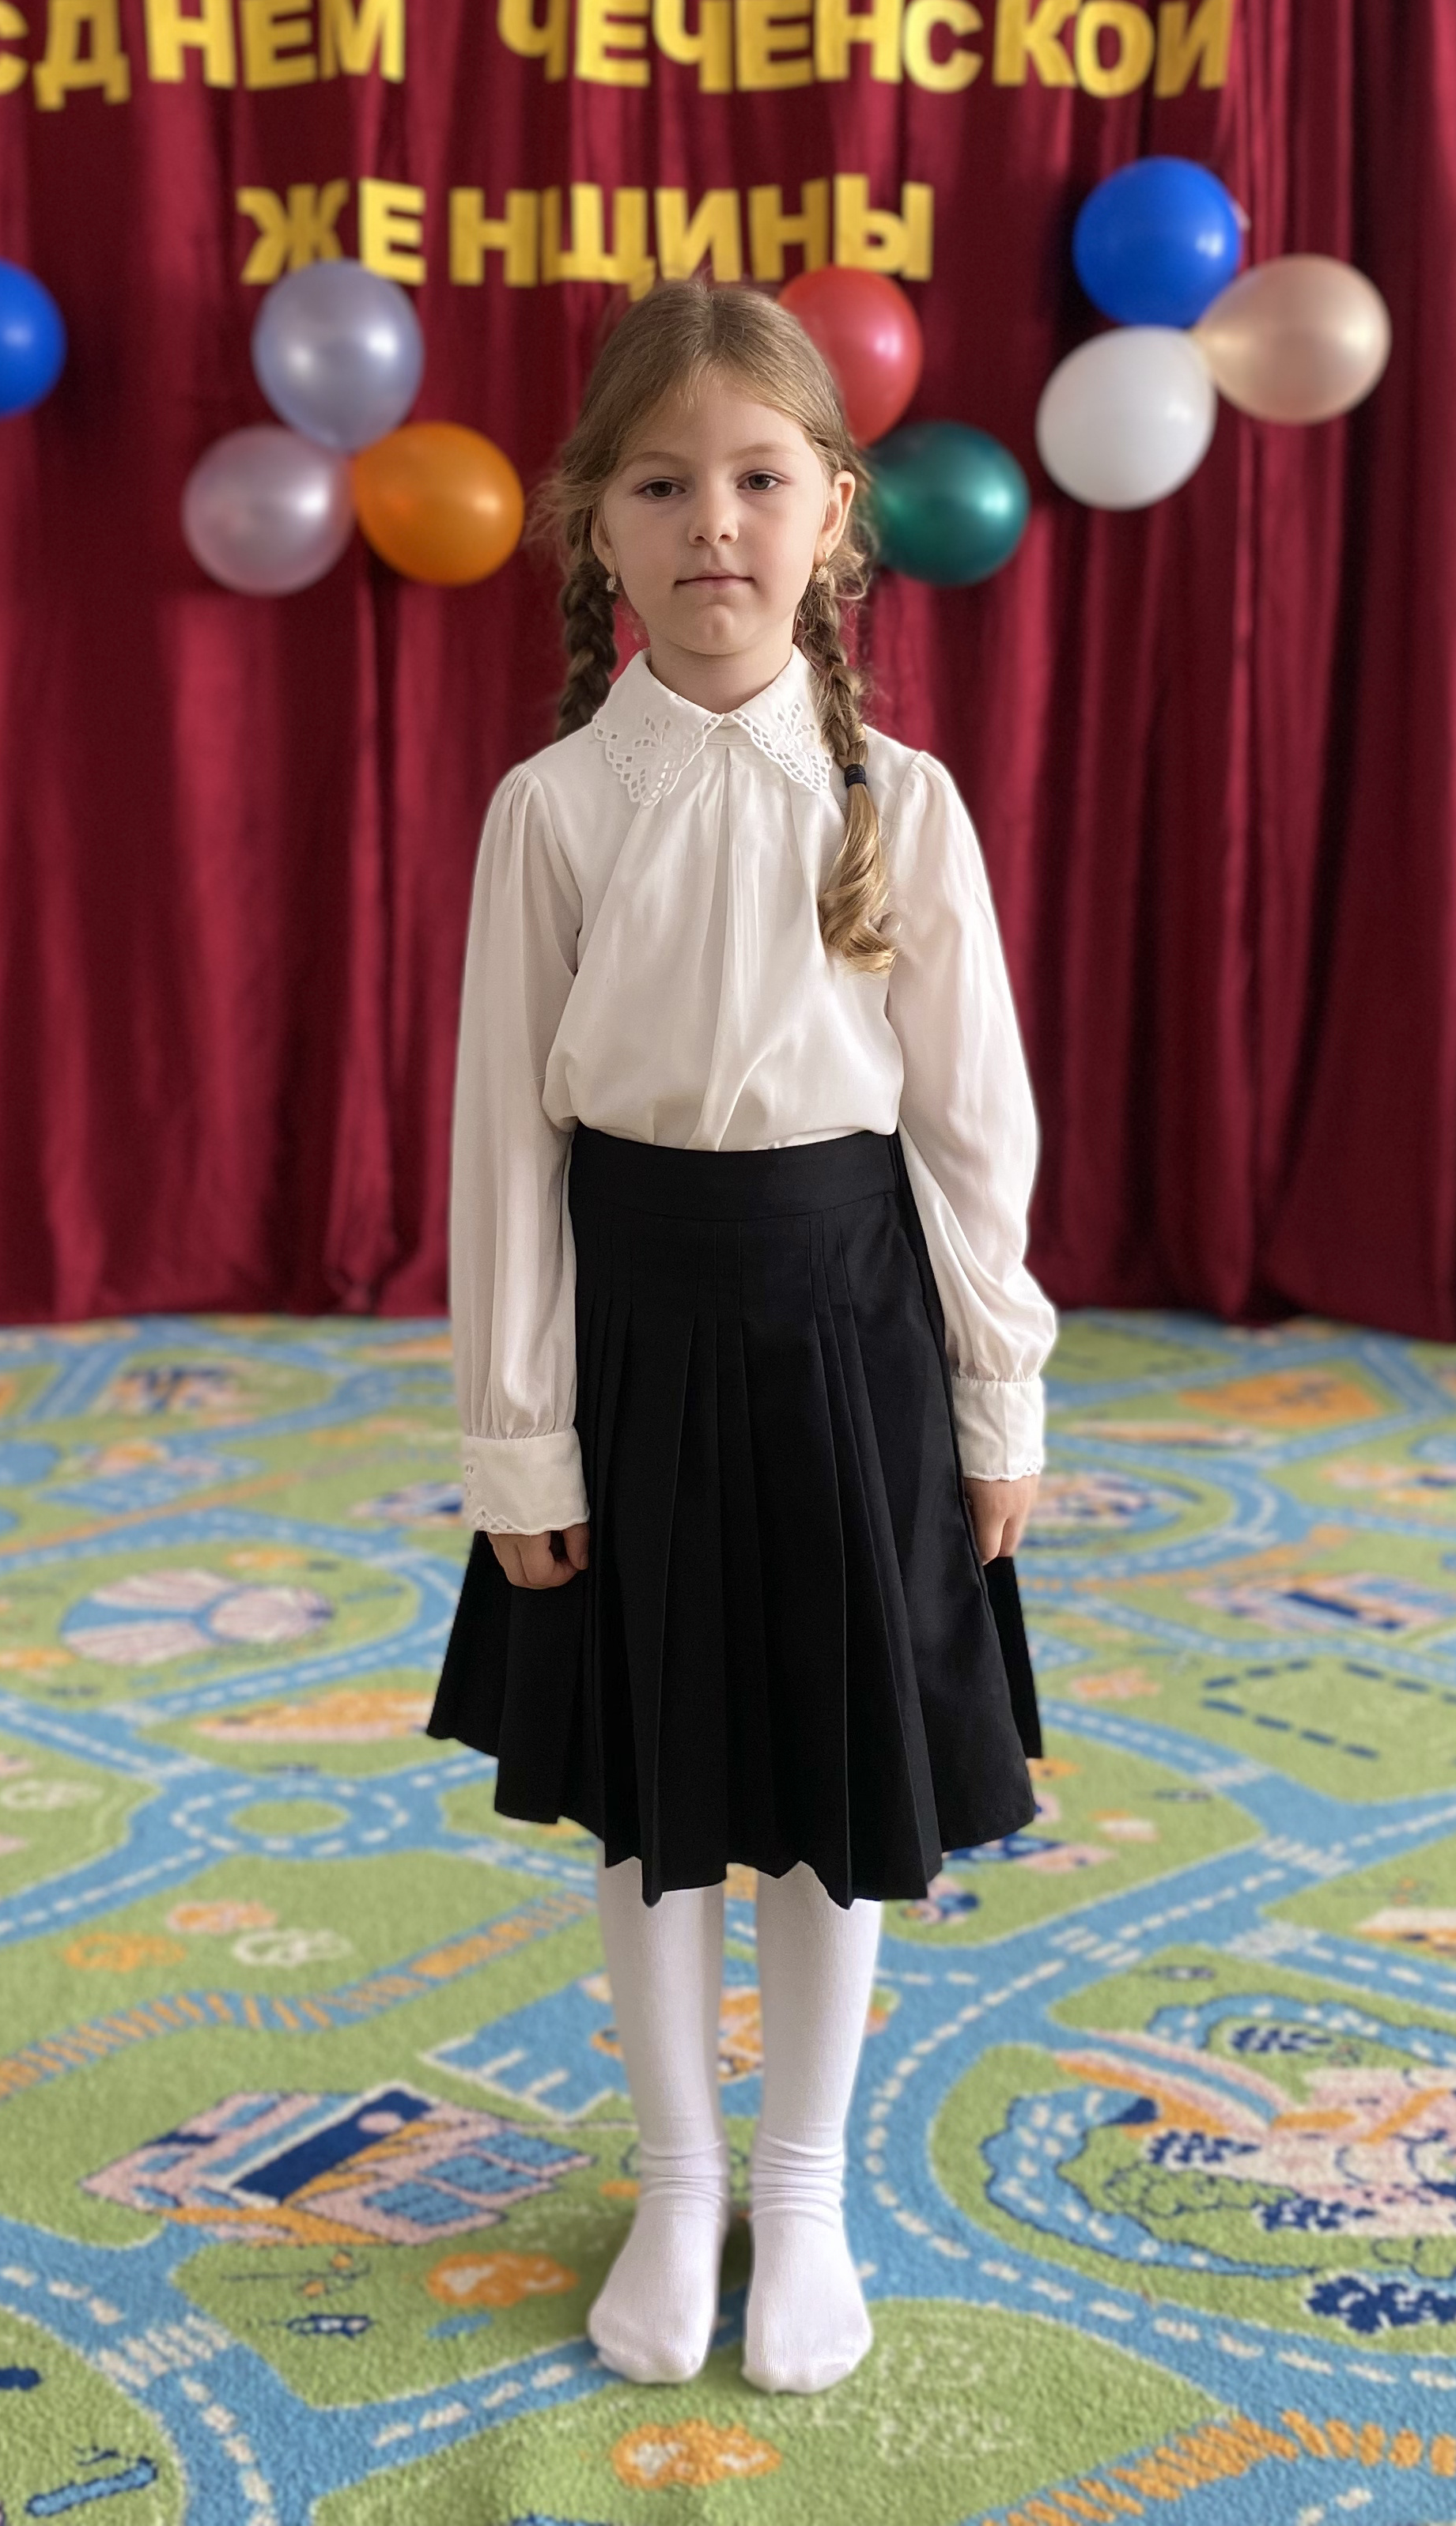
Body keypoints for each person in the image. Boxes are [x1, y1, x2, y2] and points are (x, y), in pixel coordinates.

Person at [427, 277, 1053, 2399]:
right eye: (663, 485)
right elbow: (505, 1153)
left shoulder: (905, 805)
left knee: (827, 1774)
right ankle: (678, 2174)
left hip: (852, 1343)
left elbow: (971, 1132)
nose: (714, 523)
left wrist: (999, 1393)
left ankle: (802, 2184)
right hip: (636, 1346)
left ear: (835, 515)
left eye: (760, 479)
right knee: (656, 1783)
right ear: (592, 525)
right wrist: (521, 1440)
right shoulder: (552, 810)